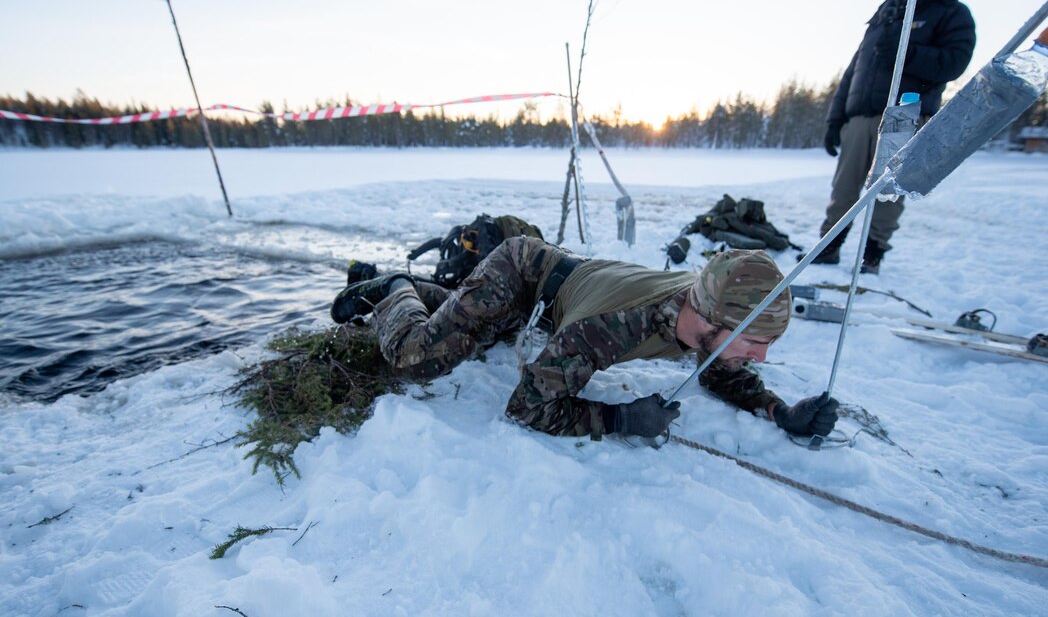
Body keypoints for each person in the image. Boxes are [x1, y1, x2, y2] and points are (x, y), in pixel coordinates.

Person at [331, 238, 838, 441]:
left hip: (557, 300)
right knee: (416, 357)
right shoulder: (613, 328)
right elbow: (527, 409)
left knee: (483, 330)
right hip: (522, 274)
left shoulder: (705, 313)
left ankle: (449, 300)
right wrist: (620, 419)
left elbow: (725, 369)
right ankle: (399, 287)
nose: (762, 356)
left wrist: (779, 411)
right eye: (754, 341)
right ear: (710, 319)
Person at [810, 0, 975, 274]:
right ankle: (828, 246)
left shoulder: (949, 11)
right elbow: (854, 71)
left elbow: (954, 62)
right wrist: (835, 119)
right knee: (844, 189)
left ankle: (872, 253)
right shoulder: (885, 12)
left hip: (904, 115)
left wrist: (908, 55)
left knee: (887, 192)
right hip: (860, 117)